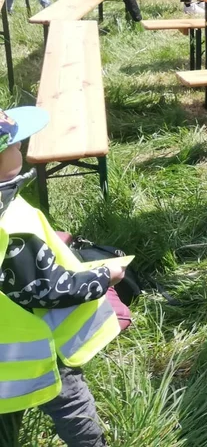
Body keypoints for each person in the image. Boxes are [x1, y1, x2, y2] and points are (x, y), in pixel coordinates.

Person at [0, 105, 126, 447]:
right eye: (12, 145)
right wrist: (105, 275)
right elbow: (50, 289)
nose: (21, 148)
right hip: (36, 351)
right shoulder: (9, 228)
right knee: (69, 402)